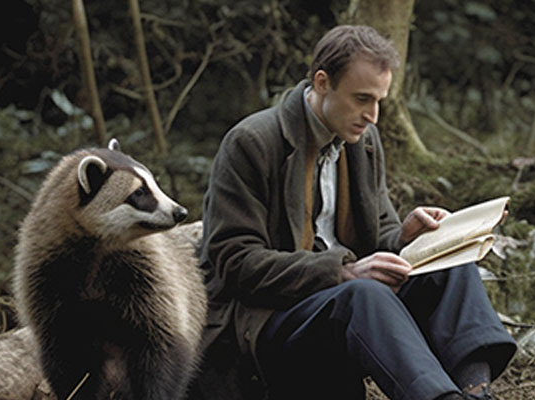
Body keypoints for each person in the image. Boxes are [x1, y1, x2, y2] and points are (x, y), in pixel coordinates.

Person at [195, 25, 515, 400]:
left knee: (451, 264)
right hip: (268, 320)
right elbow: (235, 262)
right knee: (364, 294)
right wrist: (343, 271)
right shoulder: (253, 143)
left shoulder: (362, 140)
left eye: (379, 101)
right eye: (362, 99)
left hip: (346, 299)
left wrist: (407, 236)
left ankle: (476, 391)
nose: (373, 116)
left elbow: (378, 236)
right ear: (322, 82)